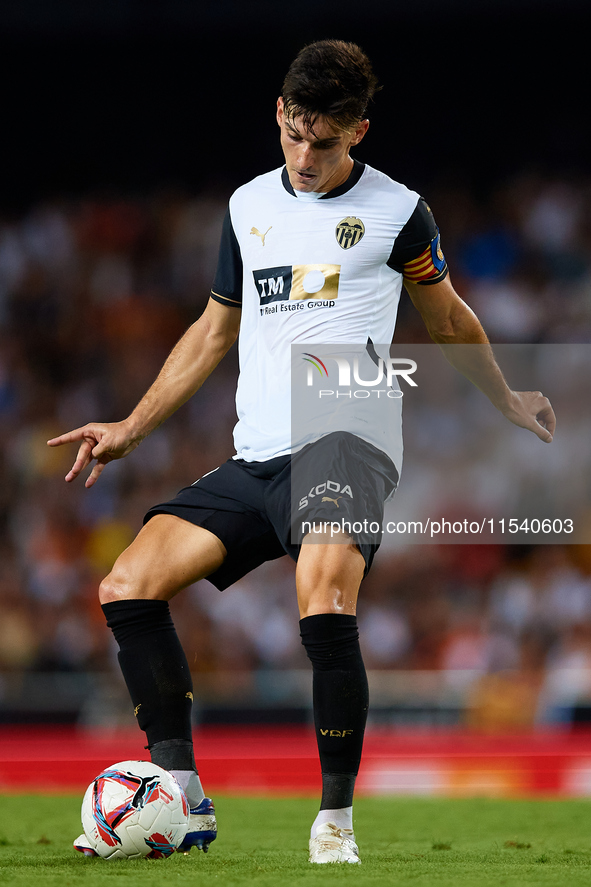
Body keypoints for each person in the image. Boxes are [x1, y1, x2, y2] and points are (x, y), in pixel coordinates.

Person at [49, 40, 556, 864]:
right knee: (128, 582)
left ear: (358, 129)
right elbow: (214, 331)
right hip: (258, 455)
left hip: (345, 434)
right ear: (278, 117)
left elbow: (449, 319)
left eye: (324, 141)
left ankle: (333, 824)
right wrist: (129, 428)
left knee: (319, 596)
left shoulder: (398, 211)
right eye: (293, 134)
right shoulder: (248, 205)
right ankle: (181, 793)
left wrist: (505, 395)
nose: (305, 155)